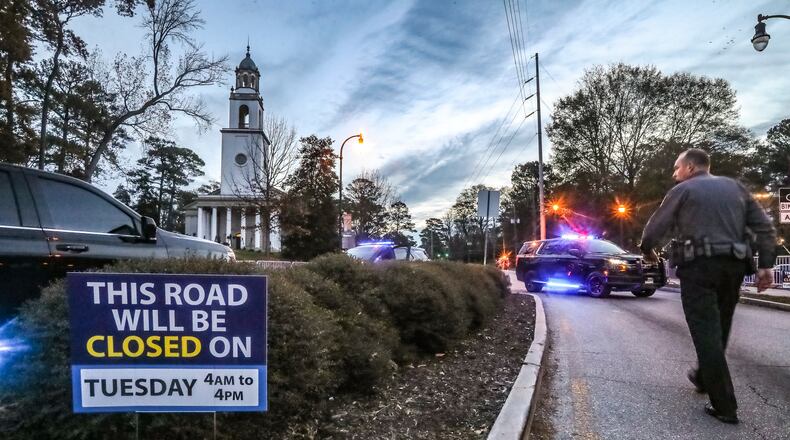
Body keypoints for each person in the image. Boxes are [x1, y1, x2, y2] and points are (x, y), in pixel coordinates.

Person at [639, 148, 775, 425]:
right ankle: (704, 376)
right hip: (735, 267)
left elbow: (657, 224)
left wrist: (647, 249)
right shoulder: (736, 188)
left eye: (676, 168)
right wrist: (766, 265)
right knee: (720, 327)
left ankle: (725, 406)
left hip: (699, 267)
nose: (674, 174)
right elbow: (764, 227)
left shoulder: (684, 190)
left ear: (690, 167)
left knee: (705, 332)